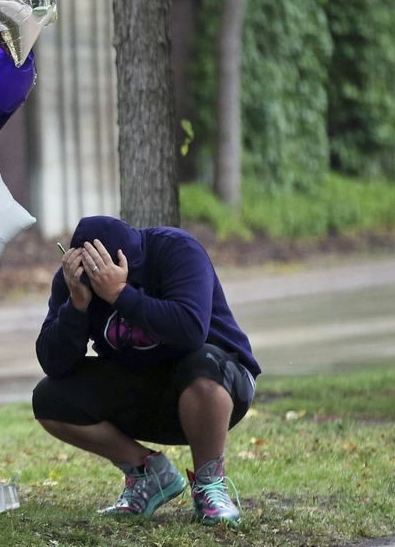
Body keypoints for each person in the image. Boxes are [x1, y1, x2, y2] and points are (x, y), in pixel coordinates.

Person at [31, 216, 259, 525]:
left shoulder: (178, 250)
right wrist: (77, 306)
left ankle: (209, 484)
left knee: (202, 363)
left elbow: (191, 330)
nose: (101, 277)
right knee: (49, 398)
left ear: (129, 258)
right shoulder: (75, 280)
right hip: (147, 390)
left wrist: (120, 294)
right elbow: (53, 363)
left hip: (218, 387)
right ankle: (148, 474)